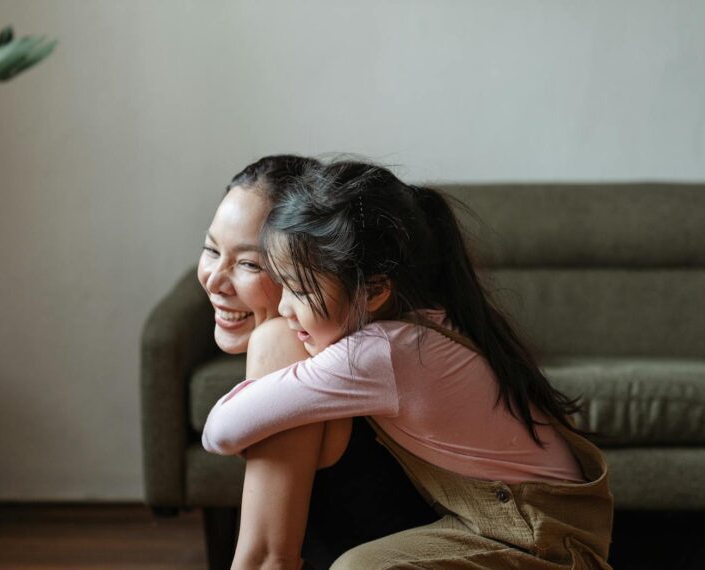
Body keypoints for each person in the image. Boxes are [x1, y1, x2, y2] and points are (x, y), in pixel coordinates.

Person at [203, 160, 614, 569]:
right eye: (210, 249)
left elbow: (220, 431)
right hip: (529, 522)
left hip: (541, 535)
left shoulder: (381, 352)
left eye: (295, 287)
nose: (285, 307)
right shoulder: (412, 324)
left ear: (375, 290)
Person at [198, 156, 439, 570]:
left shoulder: (282, 343)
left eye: (249, 263)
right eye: (211, 249)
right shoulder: (367, 333)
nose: (215, 280)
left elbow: (267, 558)